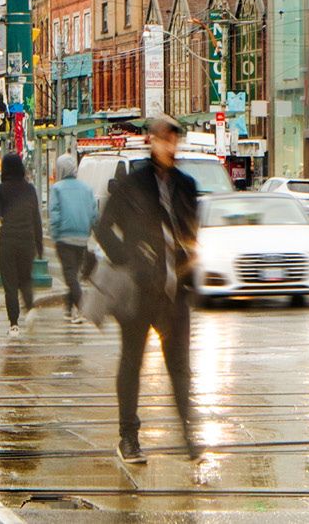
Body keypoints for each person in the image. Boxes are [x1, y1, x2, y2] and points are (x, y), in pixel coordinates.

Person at [94, 116, 201, 464]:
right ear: (151, 141)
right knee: (132, 363)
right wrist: (128, 259)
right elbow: (103, 228)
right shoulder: (132, 184)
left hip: (175, 291)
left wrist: (192, 271)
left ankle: (188, 434)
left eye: (174, 140)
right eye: (163, 139)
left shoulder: (186, 186)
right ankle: (129, 436)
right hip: (139, 292)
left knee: (180, 367)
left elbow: (191, 234)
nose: (170, 146)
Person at [0, 154, 43, 336]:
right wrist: (39, 244)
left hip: (7, 240)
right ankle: (30, 309)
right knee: (25, 279)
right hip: (27, 240)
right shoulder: (29, 189)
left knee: (10, 285)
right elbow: (36, 218)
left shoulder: (0, 190)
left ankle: (14, 324)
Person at [49, 154, 96, 324]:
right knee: (74, 274)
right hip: (82, 238)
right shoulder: (86, 189)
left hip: (64, 238)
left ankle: (82, 307)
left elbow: (54, 214)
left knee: (69, 275)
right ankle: (68, 309)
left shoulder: (57, 189)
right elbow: (93, 214)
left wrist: (54, 235)